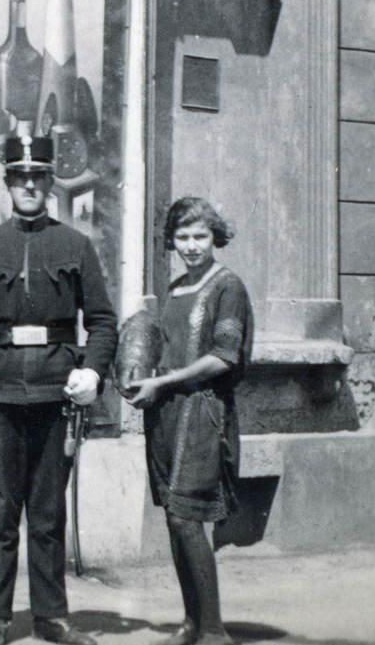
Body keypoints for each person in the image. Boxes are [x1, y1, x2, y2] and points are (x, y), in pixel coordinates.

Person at [0, 134, 118, 645]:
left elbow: (103, 321)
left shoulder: (75, 245)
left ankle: (52, 617)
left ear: (50, 182)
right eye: (21, 177)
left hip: (54, 393)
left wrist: (94, 372)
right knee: (0, 512)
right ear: (10, 183)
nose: (31, 185)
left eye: (39, 176)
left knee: (47, 513)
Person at [121, 197, 253, 645]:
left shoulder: (227, 286)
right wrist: (140, 382)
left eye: (200, 236)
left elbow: (223, 357)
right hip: (166, 413)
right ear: (171, 241)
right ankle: (191, 622)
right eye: (182, 237)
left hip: (203, 411)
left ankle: (214, 629)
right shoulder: (175, 289)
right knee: (174, 521)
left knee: (186, 518)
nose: (192, 246)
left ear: (216, 236)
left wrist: (167, 381)